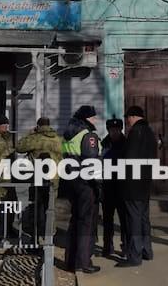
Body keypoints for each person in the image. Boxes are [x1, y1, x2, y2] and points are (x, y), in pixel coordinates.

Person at [62, 105, 102, 274]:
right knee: (86, 223)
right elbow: (91, 162)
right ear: (86, 118)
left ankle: (71, 261)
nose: (96, 120)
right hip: (86, 184)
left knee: (75, 221)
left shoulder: (68, 135)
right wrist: (98, 184)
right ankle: (84, 262)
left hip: (72, 182)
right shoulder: (88, 135)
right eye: (93, 117)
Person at [118, 106, 157, 267]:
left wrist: (123, 180)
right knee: (143, 218)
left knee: (133, 219)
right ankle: (147, 251)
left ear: (133, 117)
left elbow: (129, 158)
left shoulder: (135, 133)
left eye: (128, 117)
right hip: (145, 182)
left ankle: (134, 256)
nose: (127, 121)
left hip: (133, 184)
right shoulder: (150, 132)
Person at [16, 116, 62, 237]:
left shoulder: (35, 138)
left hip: (39, 177)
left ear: (38, 126)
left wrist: (29, 133)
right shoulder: (57, 139)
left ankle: (35, 233)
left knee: (36, 205)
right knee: (50, 207)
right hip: (54, 178)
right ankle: (50, 233)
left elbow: (19, 147)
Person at [101, 117, 128, 258]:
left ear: (121, 129)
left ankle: (125, 247)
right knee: (107, 220)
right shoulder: (103, 144)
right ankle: (107, 247)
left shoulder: (126, 143)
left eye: (117, 130)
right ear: (108, 130)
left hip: (122, 186)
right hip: (108, 186)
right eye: (112, 130)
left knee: (124, 220)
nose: (115, 132)